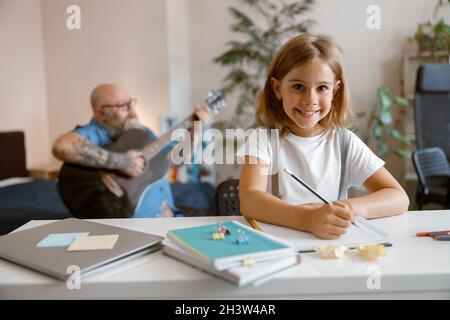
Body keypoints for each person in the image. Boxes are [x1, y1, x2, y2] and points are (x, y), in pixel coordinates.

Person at [238, 34, 409, 240]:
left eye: (322, 88)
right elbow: (250, 200)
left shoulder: (344, 142)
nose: (310, 99)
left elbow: (398, 197)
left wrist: (347, 208)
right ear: (277, 89)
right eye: (298, 86)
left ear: (334, 92)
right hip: (278, 251)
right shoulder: (262, 140)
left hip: (331, 253)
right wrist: (308, 219)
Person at [52, 83, 211, 218]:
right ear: (101, 113)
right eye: (122, 106)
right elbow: (62, 146)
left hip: (171, 215)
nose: (132, 111)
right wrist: (121, 162)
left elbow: (173, 161)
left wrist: (196, 130)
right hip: (133, 219)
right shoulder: (95, 132)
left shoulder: (141, 132)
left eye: (131, 103)